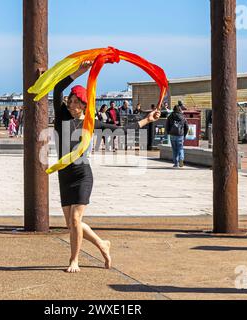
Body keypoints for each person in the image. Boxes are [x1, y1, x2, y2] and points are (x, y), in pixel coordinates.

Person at [53, 61, 161, 273]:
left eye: (76, 102)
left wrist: (146, 120)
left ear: (84, 104)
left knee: (76, 220)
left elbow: (121, 130)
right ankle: (102, 244)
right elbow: (57, 88)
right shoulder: (62, 117)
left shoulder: (90, 124)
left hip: (82, 175)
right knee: (72, 224)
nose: (71, 104)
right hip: (64, 176)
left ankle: (74, 260)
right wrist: (78, 72)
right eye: (70, 101)